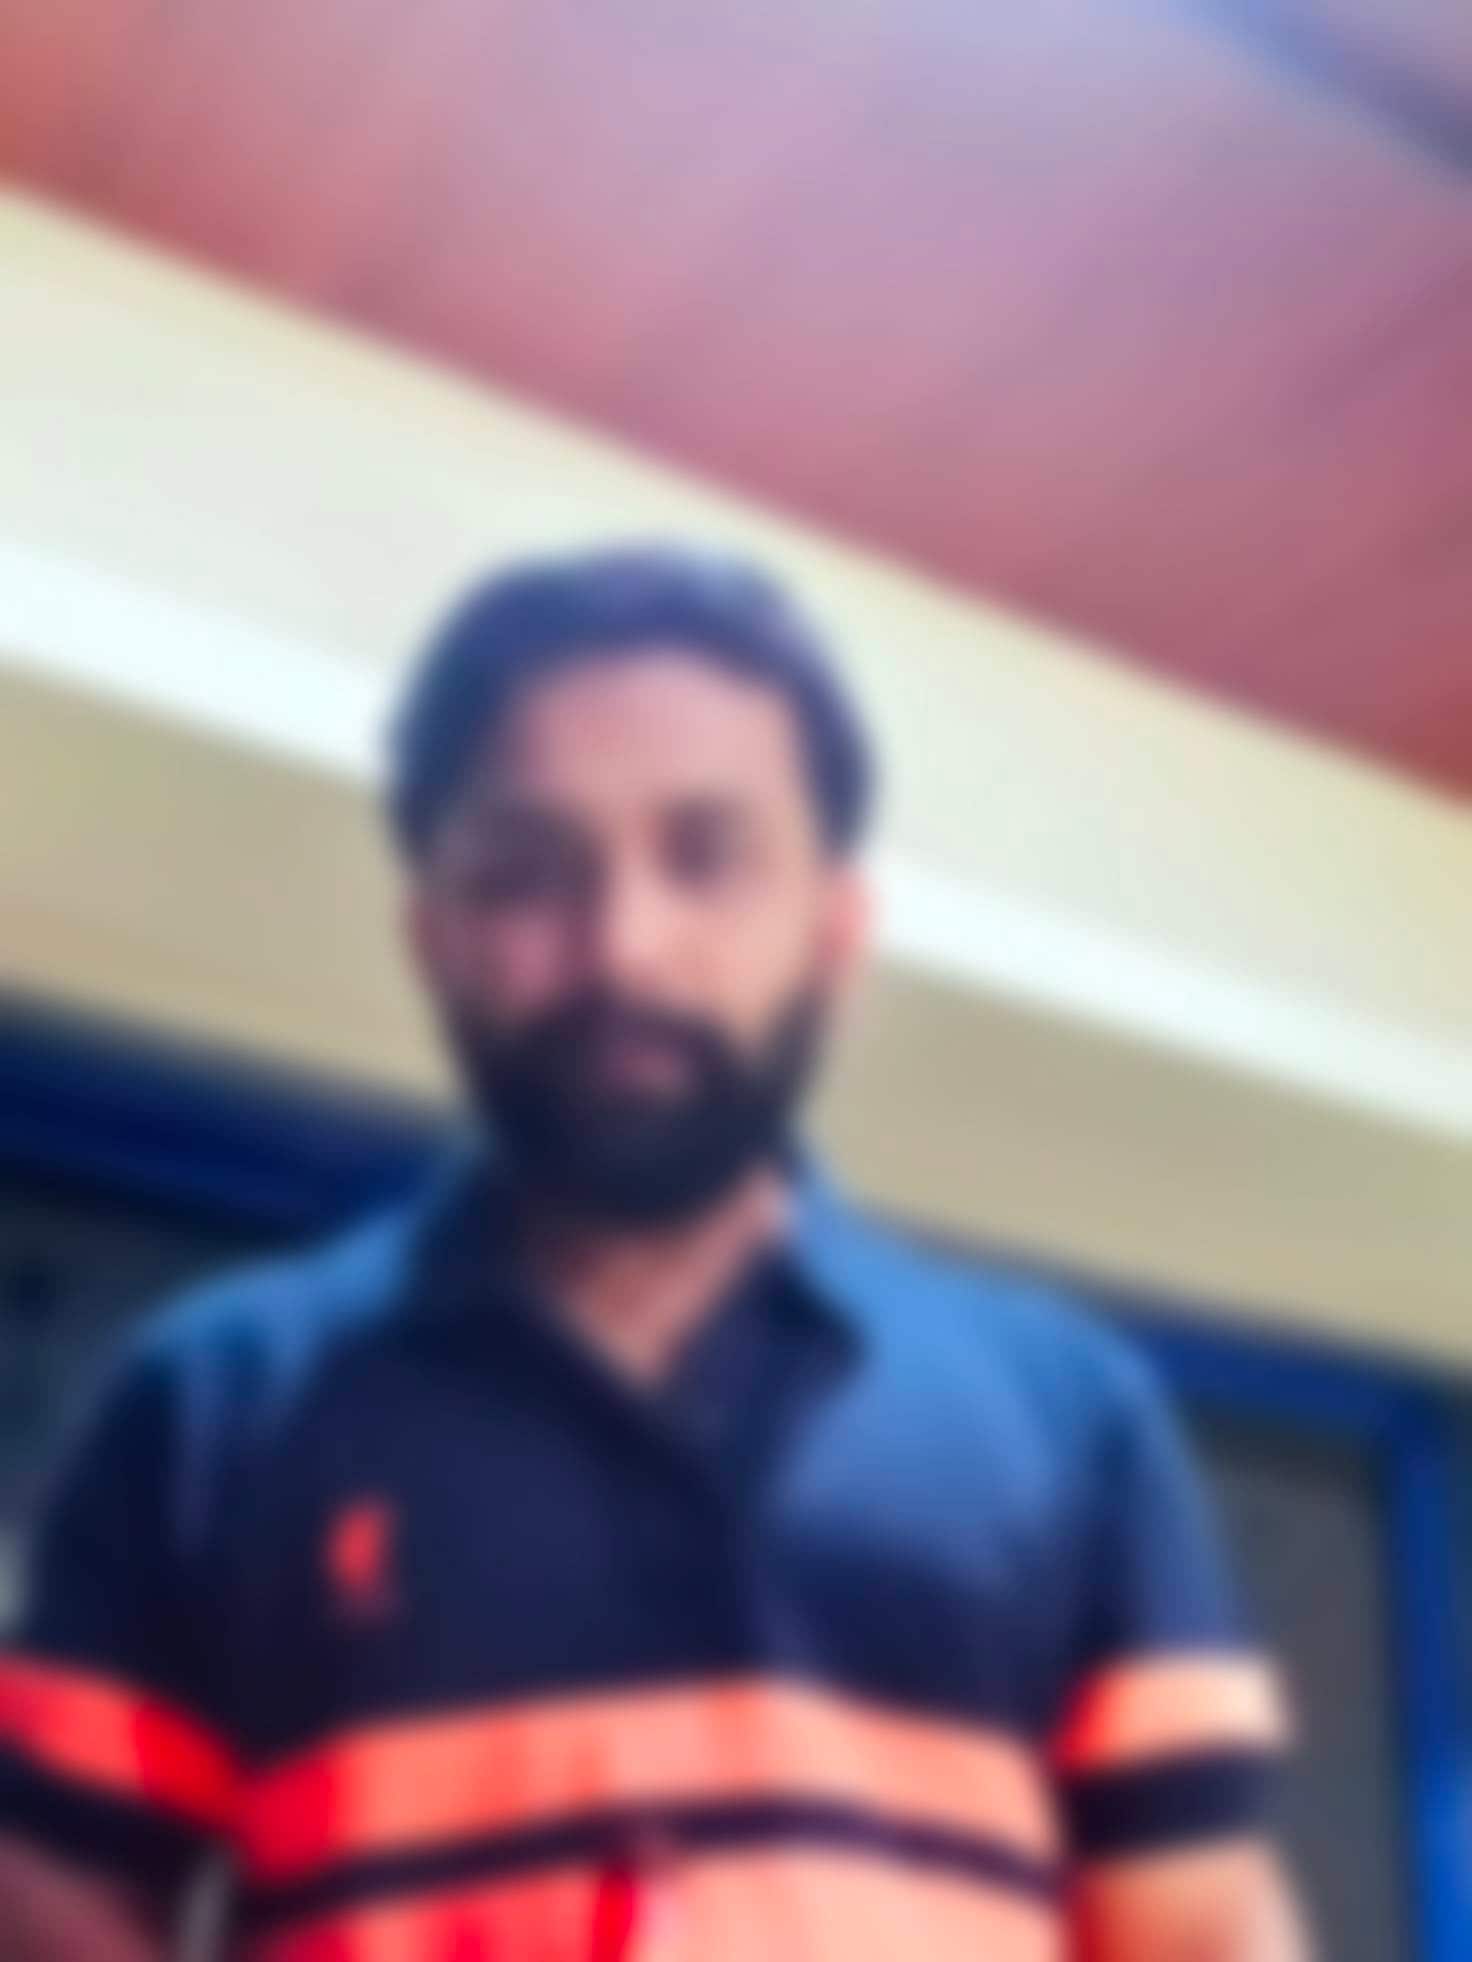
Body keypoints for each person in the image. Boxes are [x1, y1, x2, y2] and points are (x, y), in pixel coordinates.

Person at [0, 547, 1307, 1960]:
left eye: (708, 857)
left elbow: (1201, 1925)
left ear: (834, 933)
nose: (624, 946)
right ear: (435, 937)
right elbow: (48, 1889)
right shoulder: (213, 1405)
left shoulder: (1066, 1417)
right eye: (526, 873)